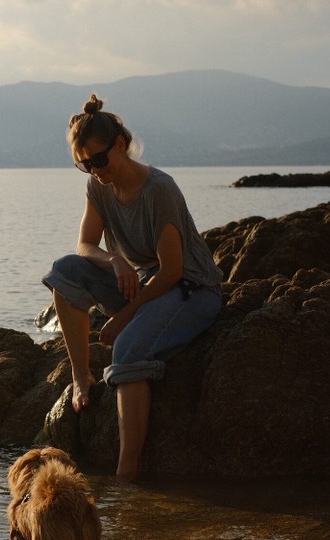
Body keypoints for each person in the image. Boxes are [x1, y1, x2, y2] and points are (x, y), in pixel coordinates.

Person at [42, 94, 223, 482]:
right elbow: (86, 245)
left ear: (120, 145)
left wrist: (125, 316)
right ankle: (81, 377)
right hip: (142, 280)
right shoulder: (99, 187)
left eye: (99, 159)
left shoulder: (159, 189)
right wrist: (116, 260)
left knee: (127, 349)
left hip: (192, 288)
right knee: (65, 272)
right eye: (84, 164)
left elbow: (173, 271)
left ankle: (128, 472)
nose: (94, 170)